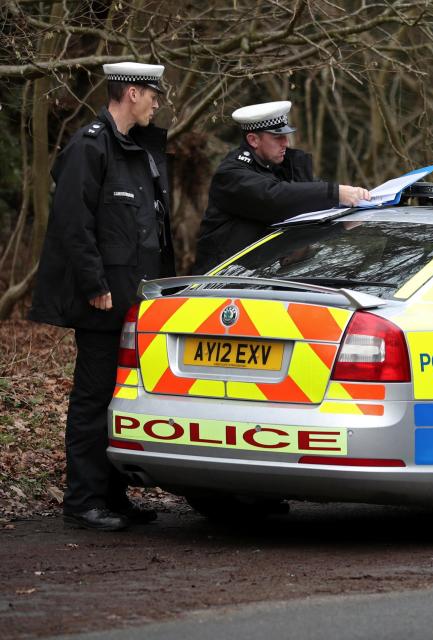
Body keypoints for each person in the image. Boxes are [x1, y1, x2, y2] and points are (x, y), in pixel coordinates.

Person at [30, 62, 175, 531]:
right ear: (132, 92)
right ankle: (84, 501)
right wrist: (95, 286)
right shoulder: (90, 146)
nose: (157, 102)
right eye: (153, 93)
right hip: (103, 301)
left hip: (136, 300)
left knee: (122, 398)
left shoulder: (136, 150)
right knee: (94, 399)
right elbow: (73, 224)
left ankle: (113, 497)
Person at [193, 100, 370, 274]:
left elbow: (308, 197)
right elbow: (275, 198)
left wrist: (346, 212)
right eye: (278, 137)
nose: (285, 143)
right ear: (253, 140)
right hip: (221, 282)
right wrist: (336, 192)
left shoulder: (283, 166)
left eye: (286, 136)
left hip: (267, 278)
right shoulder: (232, 174)